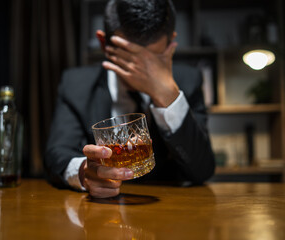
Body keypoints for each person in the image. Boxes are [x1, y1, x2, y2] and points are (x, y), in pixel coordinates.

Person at [45, 0, 215, 198]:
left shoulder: (188, 81)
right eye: (130, 58)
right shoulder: (76, 84)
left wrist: (167, 96)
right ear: (104, 43)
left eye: (152, 59)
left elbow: (202, 170)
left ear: (171, 44)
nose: (141, 71)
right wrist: (84, 172)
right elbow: (56, 154)